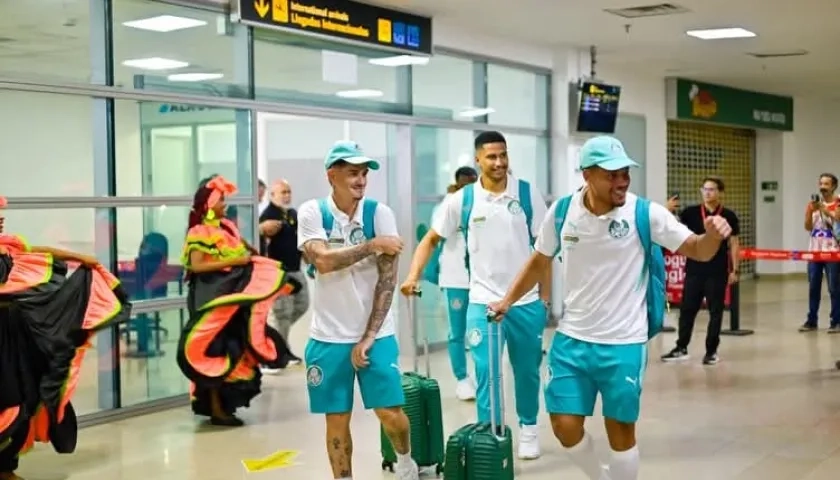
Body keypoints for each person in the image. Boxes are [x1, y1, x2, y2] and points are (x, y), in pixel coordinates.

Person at [485, 135, 732, 480]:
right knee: (564, 425)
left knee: (621, 434)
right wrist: (508, 300)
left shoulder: (644, 213)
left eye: (625, 173)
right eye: (611, 174)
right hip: (572, 339)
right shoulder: (562, 212)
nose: (622, 182)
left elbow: (698, 249)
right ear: (587, 174)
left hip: (623, 343)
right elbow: (539, 260)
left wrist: (713, 237)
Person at [401, 131, 550, 460]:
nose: (499, 162)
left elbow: (545, 251)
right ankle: (490, 435)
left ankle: (528, 428)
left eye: (503, 155)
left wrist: (546, 299)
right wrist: (412, 276)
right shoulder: (463, 200)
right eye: (492, 157)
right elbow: (430, 240)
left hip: (525, 302)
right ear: (478, 160)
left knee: (526, 371)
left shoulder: (526, 194)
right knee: (485, 372)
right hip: (482, 302)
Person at [298, 140, 418, 480]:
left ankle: (405, 460)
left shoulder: (380, 213)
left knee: (390, 413)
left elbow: (387, 281)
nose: (361, 180)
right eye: (353, 173)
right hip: (328, 335)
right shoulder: (312, 213)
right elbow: (321, 261)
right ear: (331, 175)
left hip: (377, 333)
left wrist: (368, 336)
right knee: (336, 419)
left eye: (364, 173)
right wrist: (371, 245)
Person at [0, 196, 132, 480]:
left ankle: (5, 467)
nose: (1, 217)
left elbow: (37, 251)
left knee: (22, 394)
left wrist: (78, 258)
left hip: (14, 334)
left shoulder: (9, 246)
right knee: (6, 397)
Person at [177, 175, 299, 427]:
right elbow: (197, 265)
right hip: (210, 298)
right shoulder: (199, 232)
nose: (225, 204)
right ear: (209, 203)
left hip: (231, 294)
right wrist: (236, 261)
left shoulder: (226, 227)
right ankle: (216, 408)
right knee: (214, 349)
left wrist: (260, 264)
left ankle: (224, 405)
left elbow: (246, 252)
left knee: (234, 346)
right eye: (221, 199)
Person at [661, 176, 740, 365]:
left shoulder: (728, 215)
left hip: (717, 271)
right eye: (704, 189)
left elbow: (734, 243)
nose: (707, 192)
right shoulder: (691, 213)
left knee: (715, 312)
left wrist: (735, 269)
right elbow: (673, 230)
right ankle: (681, 347)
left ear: (720, 192)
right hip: (695, 270)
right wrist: (666, 211)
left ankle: (711, 351)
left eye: (712, 189)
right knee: (687, 310)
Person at [435, 166, 478, 400]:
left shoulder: (483, 201)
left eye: (474, 181)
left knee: (482, 330)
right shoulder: (449, 203)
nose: (470, 185)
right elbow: (436, 234)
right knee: (457, 332)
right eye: (466, 182)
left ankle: (482, 377)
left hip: (482, 278)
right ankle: (462, 379)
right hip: (456, 278)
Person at [259, 179, 308, 374]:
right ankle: (279, 352)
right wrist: (262, 229)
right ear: (273, 195)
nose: (287, 195)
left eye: (289, 191)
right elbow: (260, 238)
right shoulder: (267, 215)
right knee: (282, 315)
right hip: (279, 273)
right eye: (282, 192)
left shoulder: (292, 214)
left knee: (301, 305)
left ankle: (281, 346)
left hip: (296, 269)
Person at [800, 173, 840, 333]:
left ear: (833, 186)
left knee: (834, 288)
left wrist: (824, 209)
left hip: (833, 252)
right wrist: (810, 211)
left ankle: (836, 321)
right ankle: (811, 320)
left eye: (826, 184)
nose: (823, 187)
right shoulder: (813, 205)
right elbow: (808, 227)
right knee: (813, 286)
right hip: (815, 252)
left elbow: (838, 218)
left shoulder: (838, 202)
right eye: (821, 183)